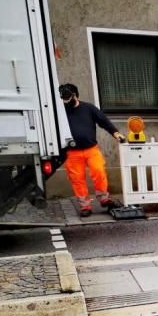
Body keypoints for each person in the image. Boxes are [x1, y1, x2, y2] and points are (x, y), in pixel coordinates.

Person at [59, 84, 125, 217]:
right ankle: (85, 206)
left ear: (75, 95)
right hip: (72, 152)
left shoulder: (88, 108)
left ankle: (104, 199)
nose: (66, 102)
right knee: (77, 179)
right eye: (63, 99)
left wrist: (116, 133)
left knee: (99, 171)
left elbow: (104, 121)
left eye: (68, 98)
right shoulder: (60, 112)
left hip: (91, 149)